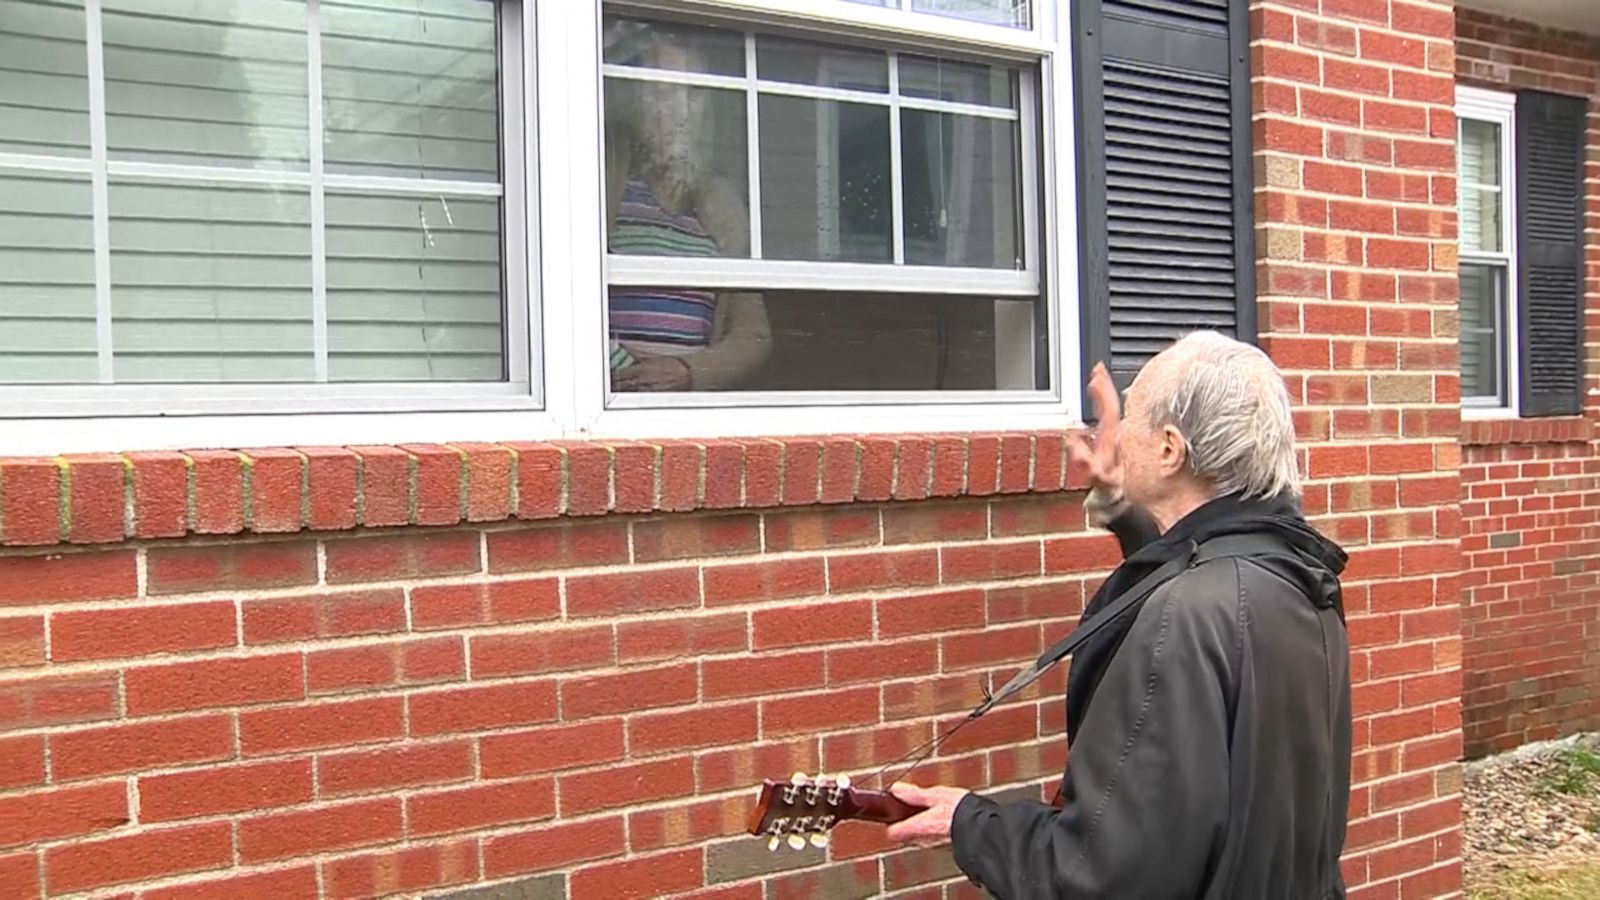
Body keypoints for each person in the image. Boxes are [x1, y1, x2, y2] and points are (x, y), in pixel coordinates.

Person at [886, 332, 1353, 899]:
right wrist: (1122, 501)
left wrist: (969, 824)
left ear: (1170, 450)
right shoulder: (1298, 577)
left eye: (1130, 413)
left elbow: (1099, 876)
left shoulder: (1182, 620)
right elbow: (1197, 565)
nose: (1115, 428)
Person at [602, 21, 772, 392]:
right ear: (636, 103)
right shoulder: (606, 187)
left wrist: (688, 372)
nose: (677, 111)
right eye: (661, 93)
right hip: (610, 407)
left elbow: (754, 335)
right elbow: (561, 298)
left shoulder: (719, 209)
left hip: (683, 411)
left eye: (692, 94)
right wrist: (624, 375)